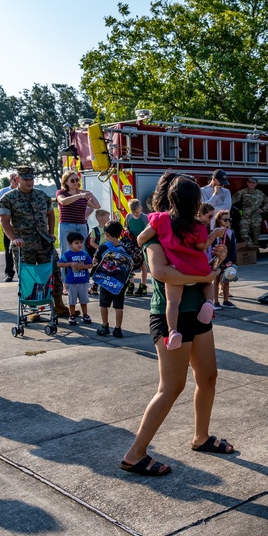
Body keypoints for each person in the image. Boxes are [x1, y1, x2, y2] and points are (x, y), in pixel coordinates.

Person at [120, 174, 230, 477]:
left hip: (198, 314)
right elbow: (162, 272)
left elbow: (202, 263)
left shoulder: (195, 230)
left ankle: (201, 437)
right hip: (171, 317)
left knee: (208, 377)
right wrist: (205, 277)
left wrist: (215, 260)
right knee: (171, 387)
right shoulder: (156, 231)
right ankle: (135, 454)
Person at [138, 177, 222, 348]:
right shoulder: (198, 226)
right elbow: (201, 246)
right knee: (208, 280)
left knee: (172, 302)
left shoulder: (160, 220)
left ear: (171, 198)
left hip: (176, 267)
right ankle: (209, 302)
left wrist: (142, 241)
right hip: (197, 265)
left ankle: (173, 331)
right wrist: (213, 236)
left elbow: (141, 238)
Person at [0, 165, 69, 317]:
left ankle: (59, 305)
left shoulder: (41, 195)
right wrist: (14, 238)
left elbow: (50, 214)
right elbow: (4, 221)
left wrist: (50, 233)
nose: (29, 182)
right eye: (26, 179)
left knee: (54, 272)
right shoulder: (8, 198)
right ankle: (32, 309)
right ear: (17, 179)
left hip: (44, 242)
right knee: (28, 276)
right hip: (24, 245)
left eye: (31, 179)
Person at [93, 221, 130, 338]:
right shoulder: (124, 248)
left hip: (105, 281)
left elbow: (95, 261)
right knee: (119, 306)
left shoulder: (103, 247)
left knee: (103, 304)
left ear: (106, 234)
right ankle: (118, 329)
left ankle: (105, 326)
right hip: (120, 282)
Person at [56, 171, 99, 250]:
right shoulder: (62, 192)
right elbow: (63, 201)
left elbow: (97, 206)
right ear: (66, 182)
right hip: (66, 225)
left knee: (82, 250)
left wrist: (90, 194)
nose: (75, 182)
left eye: (77, 180)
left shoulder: (82, 194)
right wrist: (79, 195)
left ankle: (81, 262)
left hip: (81, 225)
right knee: (66, 250)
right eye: (72, 180)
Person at [58, 232, 94, 325]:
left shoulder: (85, 254)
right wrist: (70, 264)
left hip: (83, 281)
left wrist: (83, 267)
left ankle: (85, 314)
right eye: (76, 243)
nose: (79, 245)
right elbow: (59, 264)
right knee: (72, 300)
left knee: (84, 299)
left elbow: (90, 264)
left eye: (81, 242)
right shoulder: (68, 254)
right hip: (72, 281)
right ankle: (72, 315)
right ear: (70, 244)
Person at [0, 174, 18, 282]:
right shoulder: (4, 192)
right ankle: (9, 273)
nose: (16, 182)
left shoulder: (24, 191)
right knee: (9, 250)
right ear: (10, 181)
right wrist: (2, 221)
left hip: (22, 225)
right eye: (14, 180)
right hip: (9, 226)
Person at [230, 177, 267, 249]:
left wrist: (263, 209)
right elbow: (232, 200)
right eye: (250, 182)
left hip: (256, 218)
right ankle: (254, 248)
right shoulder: (242, 192)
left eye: (253, 183)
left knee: (255, 237)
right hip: (245, 217)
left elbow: (266, 202)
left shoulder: (260, 193)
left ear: (256, 184)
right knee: (243, 234)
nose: (251, 184)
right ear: (247, 183)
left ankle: (254, 254)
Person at [212, 209, 237, 308]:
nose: (227, 221)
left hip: (227, 260)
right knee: (216, 280)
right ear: (219, 220)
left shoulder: (230, 232)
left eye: (229, 219)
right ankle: (215, 302)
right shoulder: (215, 232)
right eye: (225, 219)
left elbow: (233, 247)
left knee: (226, 279)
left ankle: (226, 300)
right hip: (217, 259)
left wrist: (231, 259)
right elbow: (212, 247)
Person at [125, 199, 149, 296]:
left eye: (137, 212)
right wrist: (127, 231)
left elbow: (148, 230)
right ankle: (131, 284)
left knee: (143, 265)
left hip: (143, 244)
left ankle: (143, 285)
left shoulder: (144, 218)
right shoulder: (128, 217)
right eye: (133, 212)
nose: (135, 214)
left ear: (141, 208)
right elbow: (126, 226)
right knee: (132, 265)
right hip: (132, 244)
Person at [87, 209, 110, 294]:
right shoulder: (95, 230)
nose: (109, 219)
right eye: (107, 217)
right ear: (100, 218)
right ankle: (94, 287)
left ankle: (105, 287)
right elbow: (91, 242)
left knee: (106, 270)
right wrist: (100, 249)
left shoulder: (108, 229)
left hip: (107, 253)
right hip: (98, 254)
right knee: (97, 270)